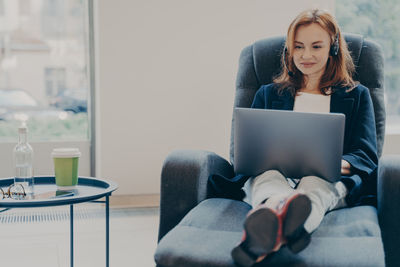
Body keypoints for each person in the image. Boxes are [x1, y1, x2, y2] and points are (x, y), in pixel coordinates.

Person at [231, 9, 378, 267]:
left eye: (316, 46)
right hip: (274, 172)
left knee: (314, 182)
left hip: (329, 176)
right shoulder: (268, 94)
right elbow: (249, 148)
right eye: (298, 47)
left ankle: (264, 235)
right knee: (267, 179)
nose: (306, 55)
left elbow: (365, 154)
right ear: (289, 49)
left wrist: (329, 163)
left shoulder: (357, 96)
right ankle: (279, 214)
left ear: (332, 47)